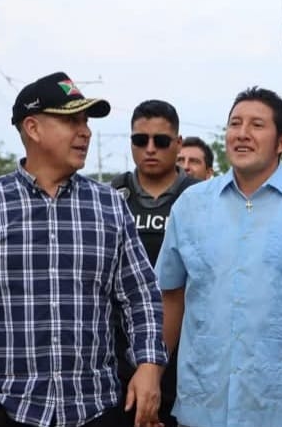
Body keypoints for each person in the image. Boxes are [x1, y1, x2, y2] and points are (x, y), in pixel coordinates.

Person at [0, 72, 167, 427]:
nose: (85, 132)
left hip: (93, 405)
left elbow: (141, 296)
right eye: (71, 121)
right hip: (5, 405)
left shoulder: (110, 206)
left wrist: (149, 365)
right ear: (33, 128)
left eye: (86, 121)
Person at [156, 86, 282, 427]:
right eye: (235, 124)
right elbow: (171, 295)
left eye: (257, 125)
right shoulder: (191, 206)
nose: (242, 134)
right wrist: (152, 371)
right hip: (204, 404)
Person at [110, 99, 199, 427]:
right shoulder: (110, 197)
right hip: (119, 354)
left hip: (186, 356)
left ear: (178, 143)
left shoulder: (200, 199)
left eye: (160, 141)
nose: (150, 149)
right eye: (140, 140)